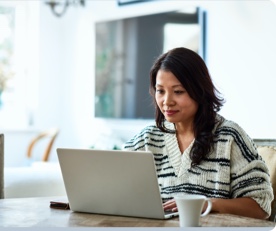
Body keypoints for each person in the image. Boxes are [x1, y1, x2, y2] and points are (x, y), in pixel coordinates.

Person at [123, 47, 273, 220]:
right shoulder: (146, 139)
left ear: (199, 90)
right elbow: (114, 189)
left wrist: (208, 204)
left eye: (178, 91)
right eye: (160, 91)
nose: (167, 101)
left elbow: (260, 207)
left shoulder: (229, 137)